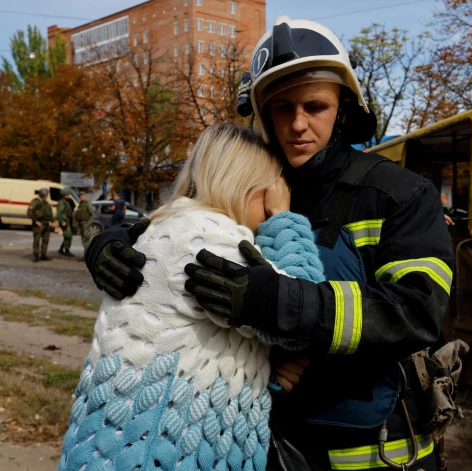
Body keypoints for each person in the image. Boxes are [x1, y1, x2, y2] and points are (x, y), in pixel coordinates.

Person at [84, 16, 453, 471]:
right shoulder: (253, 185)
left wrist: (282, 304)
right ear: (262, 114)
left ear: (343, 107)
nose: (298, 124)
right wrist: (110, 242)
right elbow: (185, 221)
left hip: (374, 450)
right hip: (261, 442)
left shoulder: (400, 194)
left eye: (315, 106)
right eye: (283, 108)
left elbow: (418, 312)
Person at [59, 123, 325, 471]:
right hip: (154, 454)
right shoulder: (207, 239)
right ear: (248, 186)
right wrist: (284, 219)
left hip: (118, 450)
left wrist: (265, 368)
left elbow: (203, 343)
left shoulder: (169, 227)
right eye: (272, 190)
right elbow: (304, 310)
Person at [27, 188, 53, 263]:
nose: (47, 196)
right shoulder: (35, 202)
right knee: (37, 240)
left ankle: (44, 254)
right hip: (39, 224)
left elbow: (48, 213)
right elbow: (29, 212)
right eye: (47, 194)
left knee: (45, 240)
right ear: (44, 195)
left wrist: (52, 221)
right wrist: (36, 221)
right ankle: (36, 255)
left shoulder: (46, 203)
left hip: (46, 223)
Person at [74, 190, 95, 258]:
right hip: (81, 223)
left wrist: (89, 223)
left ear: (85, 196)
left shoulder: (87, 204)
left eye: (83, 196)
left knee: (86, 239)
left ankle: (87, 255)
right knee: (83, 239)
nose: (82, 197)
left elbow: (92, 214)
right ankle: (86, 255)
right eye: (80, 196)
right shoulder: (81, 204)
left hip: (86, 223)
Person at [57, 189, 75, 257]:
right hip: (65, 221)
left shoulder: (67, 201)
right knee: (68, 236)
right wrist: (62, 221)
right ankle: (67, 250)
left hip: (68, 220)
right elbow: (59, 213)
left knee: (67, 236)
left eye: (68, 194)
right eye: (67, 195)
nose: (68, 196)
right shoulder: (62, 203)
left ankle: (61, 249)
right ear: (63, 195)